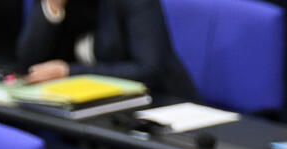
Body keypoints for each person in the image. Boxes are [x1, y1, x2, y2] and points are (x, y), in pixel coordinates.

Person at [16, 0, 198, 98]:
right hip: (92, 108)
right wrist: (53, 7)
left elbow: (148, 69)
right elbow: (29, 63)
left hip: (159, 102)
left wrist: (71, 72)